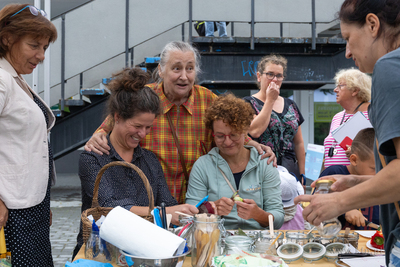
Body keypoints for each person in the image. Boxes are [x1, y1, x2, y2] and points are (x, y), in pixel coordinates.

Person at [85, 41, 276, 204]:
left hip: (196, 206)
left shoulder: (209, 101)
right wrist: (98, 135)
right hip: (149, 206)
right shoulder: (142, 99)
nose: (184, 76)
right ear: (160, 70)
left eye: (190, 68)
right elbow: (110, 128)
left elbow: (232, 133)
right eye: (176, 68)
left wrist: (254, 145)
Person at [295, 1, 400, 265]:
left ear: (373, 25)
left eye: (348, 39)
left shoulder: (390, 68)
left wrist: (339, 202)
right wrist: (357, 183)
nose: (348, 52)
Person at [73, 67, 199, 258]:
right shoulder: (93, 158)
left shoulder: (149, 159)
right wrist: (163, 213)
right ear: (117, 118)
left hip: (142, 253)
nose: (143, 134)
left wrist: (183, 212)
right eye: (137, 126)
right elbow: (108, 208)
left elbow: (168, 202)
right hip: (100, 253)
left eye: (148, 127)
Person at [0, 4, 57, 266]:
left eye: (44, 47)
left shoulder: (15, 78)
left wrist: (43, 200)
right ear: (7, 39)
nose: (41, 55)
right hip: (11, 212)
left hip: (30, 205)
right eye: (34, 45)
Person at [186, 94, 284, 230]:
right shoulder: (203, 166)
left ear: (245, 132)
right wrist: (211, 209)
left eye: (234, 135)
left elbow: (278, 218)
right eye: (220, 136)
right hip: (216, 240)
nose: (227, 142)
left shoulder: (264, 163)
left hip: (256, 242)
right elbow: (189, 216)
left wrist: (258, 214)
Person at [243, 54, 306, 183]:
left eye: (279, 76)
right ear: (259, 76)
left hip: (290, 170)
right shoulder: (248, 103)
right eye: (270, 74)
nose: (274, 79)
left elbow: (299, 142)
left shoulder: (291, 105)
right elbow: (255, 131)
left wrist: (302, 173)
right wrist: (270, 100)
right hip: (262, 167)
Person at [320, 128, 379, 230]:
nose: (379, 173)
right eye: (374, 169)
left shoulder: (382, 182)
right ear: (354, 160)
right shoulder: (333, 174)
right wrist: (344, 209)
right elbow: (316, 205)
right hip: (338, 241)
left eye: (383, 167)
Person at [323, 68, 371, 168]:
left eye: (340, 86)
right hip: (332, 178)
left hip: (356, 180)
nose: (335, 90)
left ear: (355, 90)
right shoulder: (337, 117)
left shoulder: (372, 114)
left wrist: (358, 153)